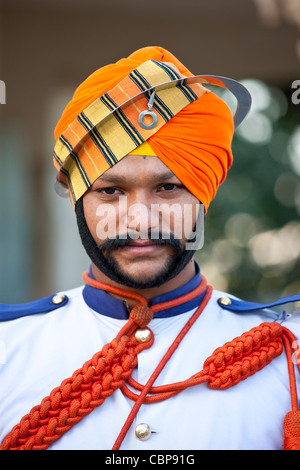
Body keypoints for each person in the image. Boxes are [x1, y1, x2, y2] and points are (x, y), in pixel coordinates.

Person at [0, 46, 300, 452]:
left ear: (203, 194)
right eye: (111, 191)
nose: (140, 218)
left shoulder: (287, 358)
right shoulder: (9, 350)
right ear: (76, 199)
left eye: (168, 188)